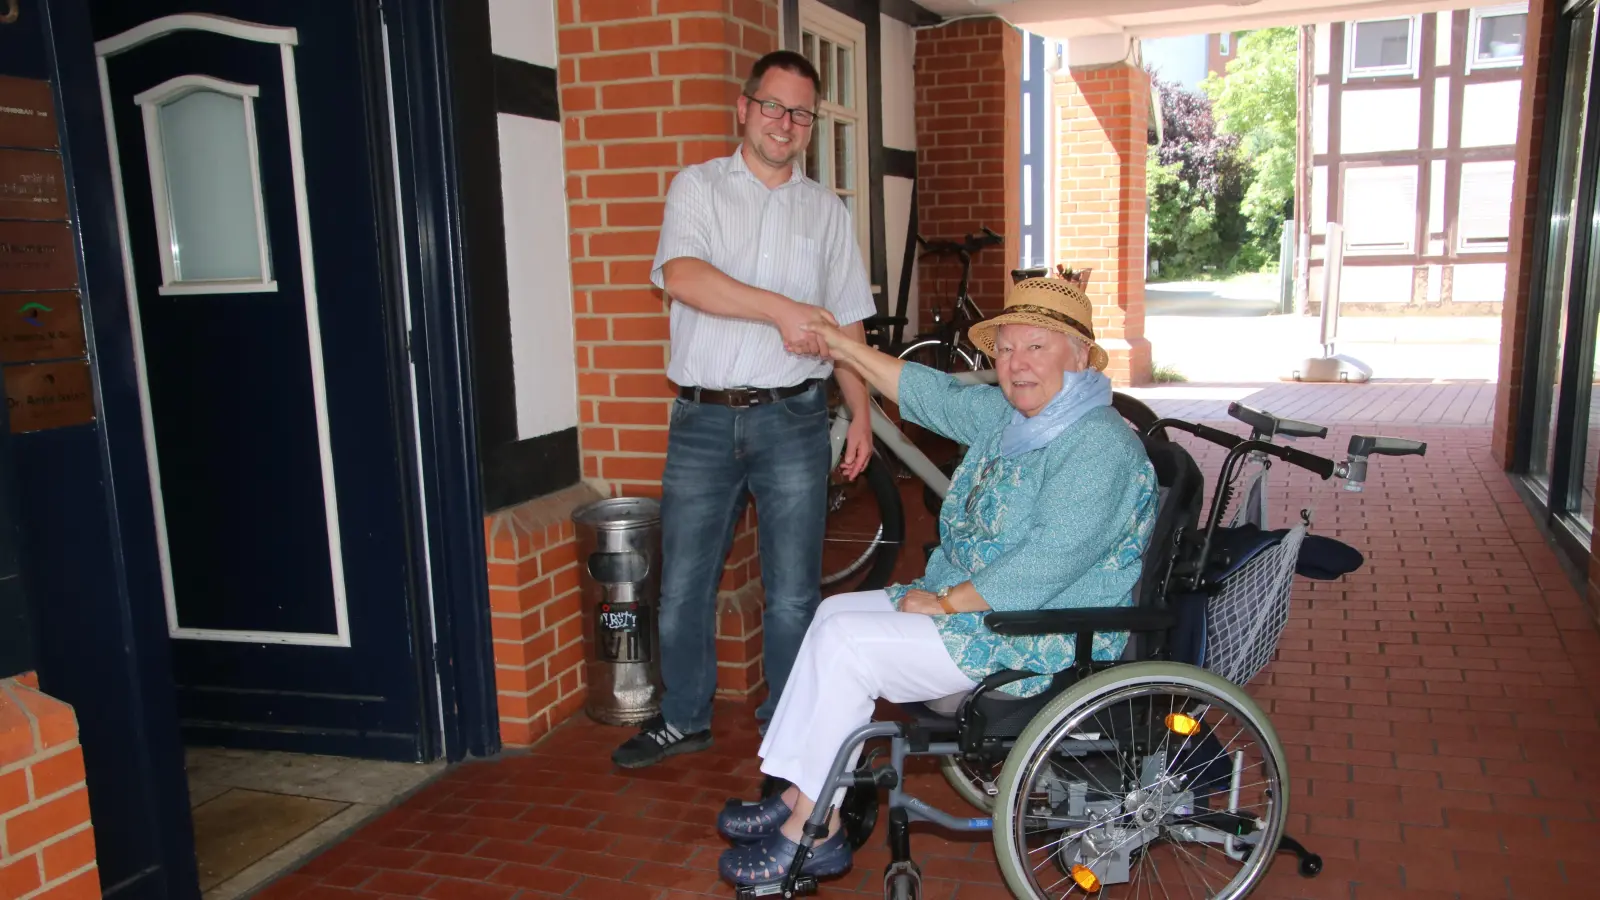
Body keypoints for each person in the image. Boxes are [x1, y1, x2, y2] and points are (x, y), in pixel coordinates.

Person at [713, 276, 1160, 885]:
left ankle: (812, 831)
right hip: (983, 607)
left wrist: (947, 602)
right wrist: (841, 347)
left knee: (849, 649)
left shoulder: (1098, 447)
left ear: (1078, 357)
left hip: (1035, 632)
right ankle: (800, 793)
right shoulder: (1017, 418)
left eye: (1036, 347)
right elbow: (929, 394)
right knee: (831, 615)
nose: (1016, 364)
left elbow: (1044, 567)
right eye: (1004, 349)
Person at [610, 50, 877, 769]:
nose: (784, 124)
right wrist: (782, 309)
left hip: (793, 420)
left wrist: (863, 413)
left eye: (800, 113)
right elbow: (685, 278)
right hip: (700, 421)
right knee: (683, 588)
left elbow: (847, 324)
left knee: (792, 594)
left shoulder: (826, 213)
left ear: (810, 124)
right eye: (772, 106)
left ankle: (789, 731)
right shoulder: (695, 189)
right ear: (744, 107)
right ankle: (684, 716)